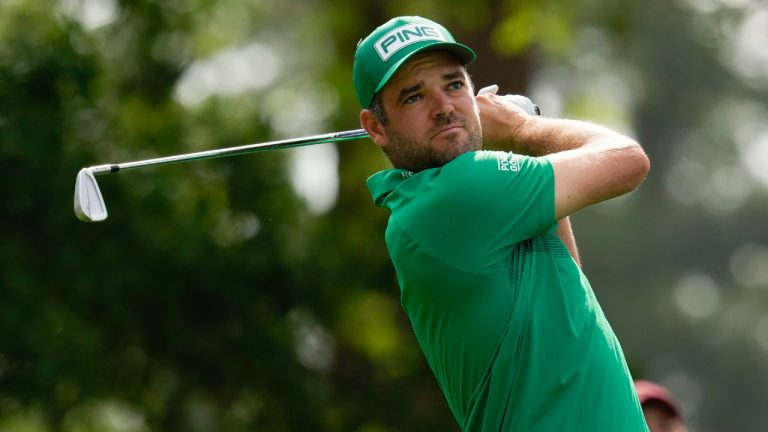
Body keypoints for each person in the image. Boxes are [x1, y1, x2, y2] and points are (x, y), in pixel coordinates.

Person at [354, 16, 651, 431]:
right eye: (414, 97)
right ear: (375, 127)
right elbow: (627, 160)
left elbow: (568, 293)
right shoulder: (455, 193)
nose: (444, 108)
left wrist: (518, 147)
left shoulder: (445, 206)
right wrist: (521, 127)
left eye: (454, 85)